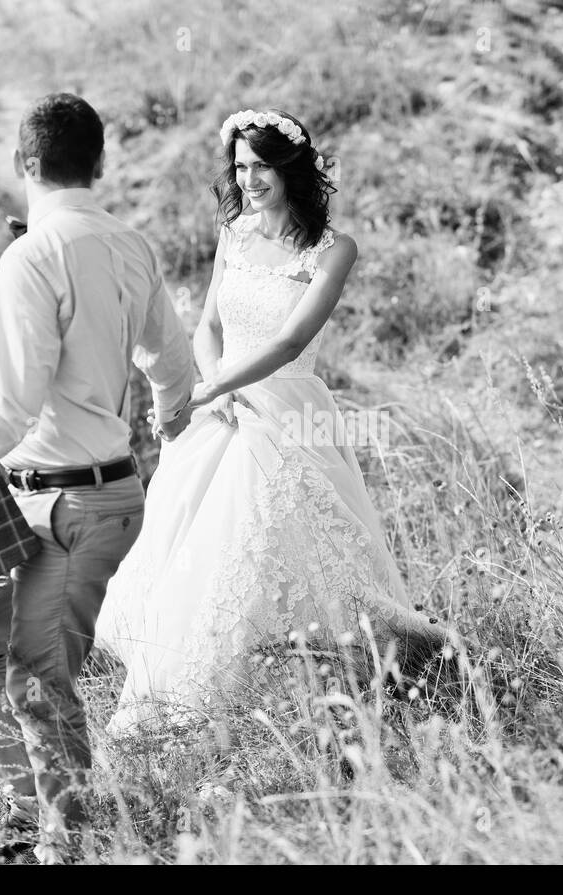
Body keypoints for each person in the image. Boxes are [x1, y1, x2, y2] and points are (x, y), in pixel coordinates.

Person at [94, 107, 447, 736]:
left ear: (291, 169)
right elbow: (207, 328)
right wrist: (217, 390)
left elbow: (289, 341)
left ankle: (341, 673)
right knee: (204, 551)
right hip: (224, 410)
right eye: (240, 167)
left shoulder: (334, 249)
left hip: (288, 410)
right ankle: (192, 694)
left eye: (260, 167)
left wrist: (214, 388)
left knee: (284, 542)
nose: (249, 179)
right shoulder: (233, 232)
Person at [0, 93, 194, 863]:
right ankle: (31, 818)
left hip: (60, 505)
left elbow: (11, 406)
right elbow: (173, 371)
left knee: (38, 677)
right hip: (108, 492)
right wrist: (164, 428)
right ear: (102, 164)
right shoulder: (134, 246)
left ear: (24, 163)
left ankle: (69, 842)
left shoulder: (30, 257)